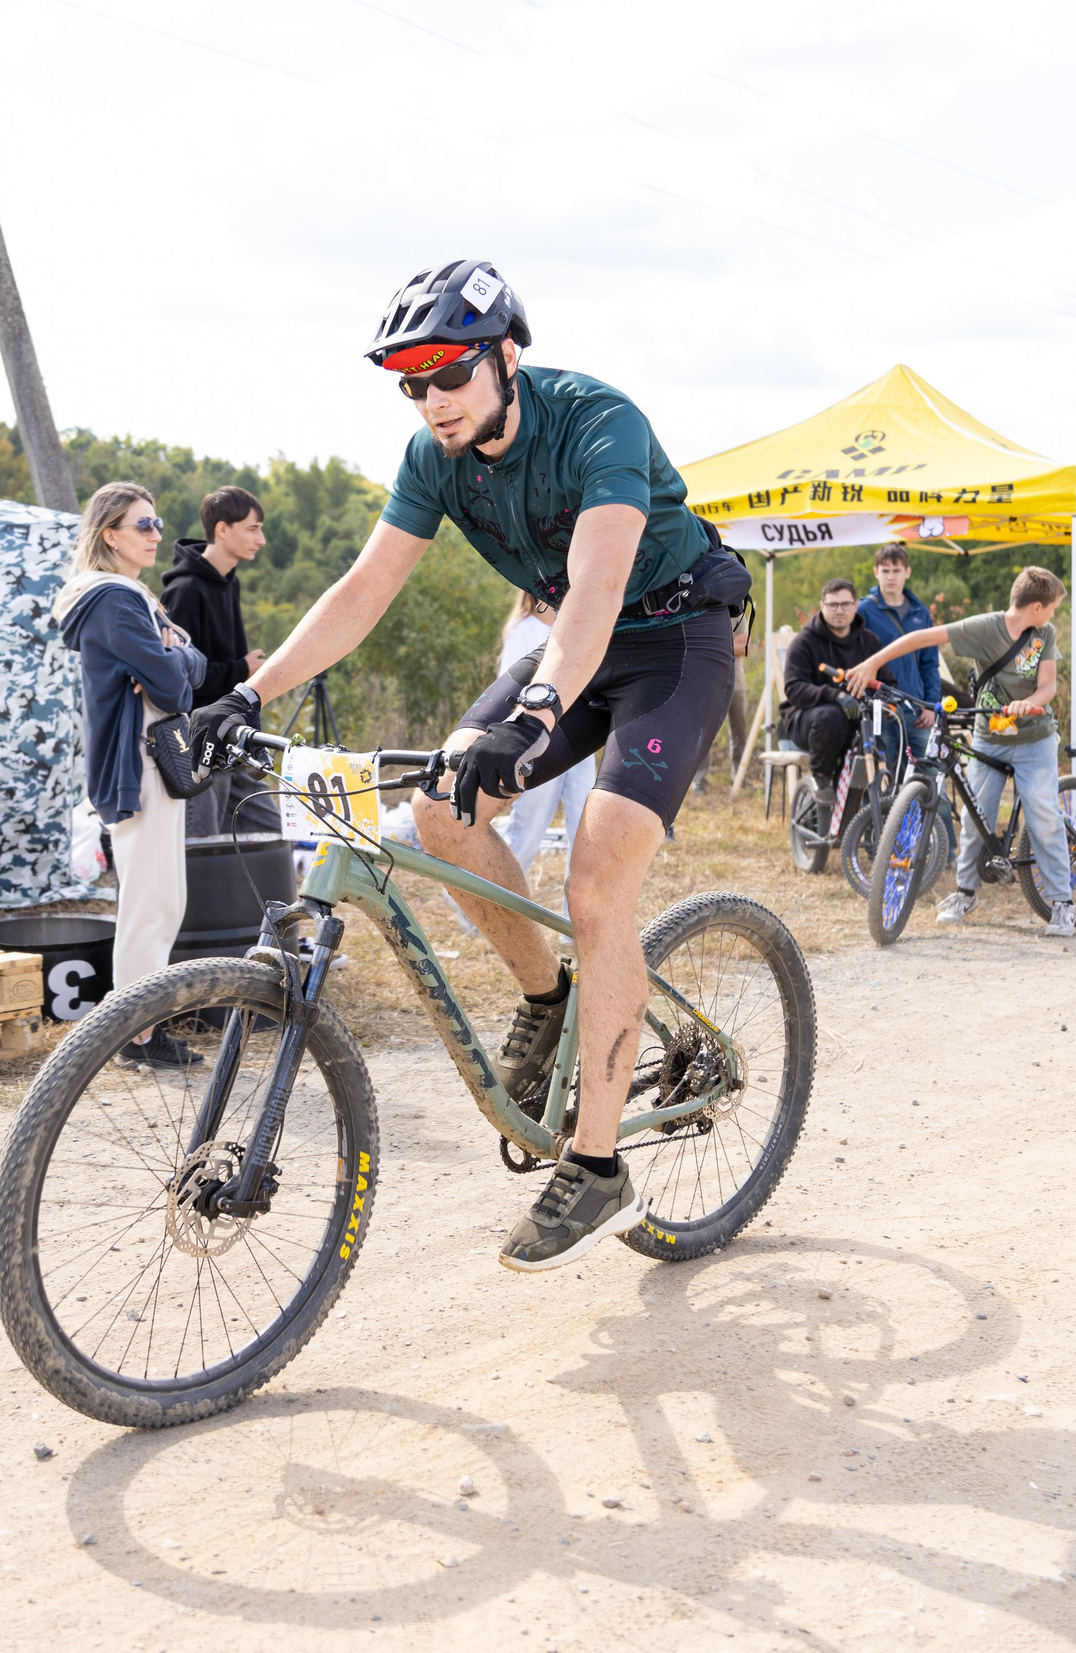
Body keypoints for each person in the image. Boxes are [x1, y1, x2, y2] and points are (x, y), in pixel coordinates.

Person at [189, 258, 747, 1274]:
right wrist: (244, 694)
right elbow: (362, 592)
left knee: (597, 877)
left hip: (671, 642)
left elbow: (596, 581)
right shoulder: (431, 458)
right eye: (412, 382)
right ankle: (546, 1001)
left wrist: (536, 710)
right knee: (441, 810)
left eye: (449, 374)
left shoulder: (595, 421)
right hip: (574, 645)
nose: (433, 400)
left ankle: (596, 1166)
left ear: (506, 359)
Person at [55, 481, 207, 1065]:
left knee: (162, 900)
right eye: (141, 525)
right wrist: (176, 660)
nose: (155, 534)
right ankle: (136, 1035)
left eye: (157, 522)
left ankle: (141, 1030)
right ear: (108, 534)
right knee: (150, 902)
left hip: (151, 756)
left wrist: (175, 655)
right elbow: (174, 684)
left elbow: (188, 663)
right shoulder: (114, 601)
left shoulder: (130, 597)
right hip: (138, 761)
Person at [842, 565, 1074, 936]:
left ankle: (1062, 902)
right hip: (990, 736)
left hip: (1034, 737)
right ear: (1034, 605)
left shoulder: (1044, 633)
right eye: (1051, 608)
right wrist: (873, 662)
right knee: (972, 818)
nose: (1051, 616)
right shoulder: (985, 627)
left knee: (1043, 815)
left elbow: (1048, 687)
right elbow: (921, 638)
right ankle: (966, 893)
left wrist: (1026, 702)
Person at [496, 593, 596, 881]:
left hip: (580, 741)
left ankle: (571, 925)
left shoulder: (580, 627)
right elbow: (508, 691)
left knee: (585, 837)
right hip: (537, 745)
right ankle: (477, 905)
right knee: (525, 837)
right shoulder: (524, 630)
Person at [161, 486, 268, 709]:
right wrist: (241, 669)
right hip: (194, 731)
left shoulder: (230, 581)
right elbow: (178, 676)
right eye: (253, 529)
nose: (261, 540)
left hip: (227, 721)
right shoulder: (185, 589)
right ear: (222, 530)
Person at [777, 578, 880, 805]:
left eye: (845, 604)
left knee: (885, 724)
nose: (839, 610)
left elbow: (886, 682)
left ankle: (878, 799)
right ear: (822, 607)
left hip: (857, 719)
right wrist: (834, 695)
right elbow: (794, 689)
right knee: (831, 716)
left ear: (855, 606)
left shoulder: (870, 642)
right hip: (806, 720)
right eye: (833, 605)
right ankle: (822, 778)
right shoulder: (804, 642)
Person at [853, 543, 940, 730]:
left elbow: (930, 663)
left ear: (907, 572)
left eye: (896, 570)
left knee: (922, 760)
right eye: (885, 571)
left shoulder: (921, 612)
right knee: (884, 760)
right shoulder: (863, 611)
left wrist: (931, 705)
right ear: (876, 572)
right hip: (879, 707)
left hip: (916, 708)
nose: (891, 576)